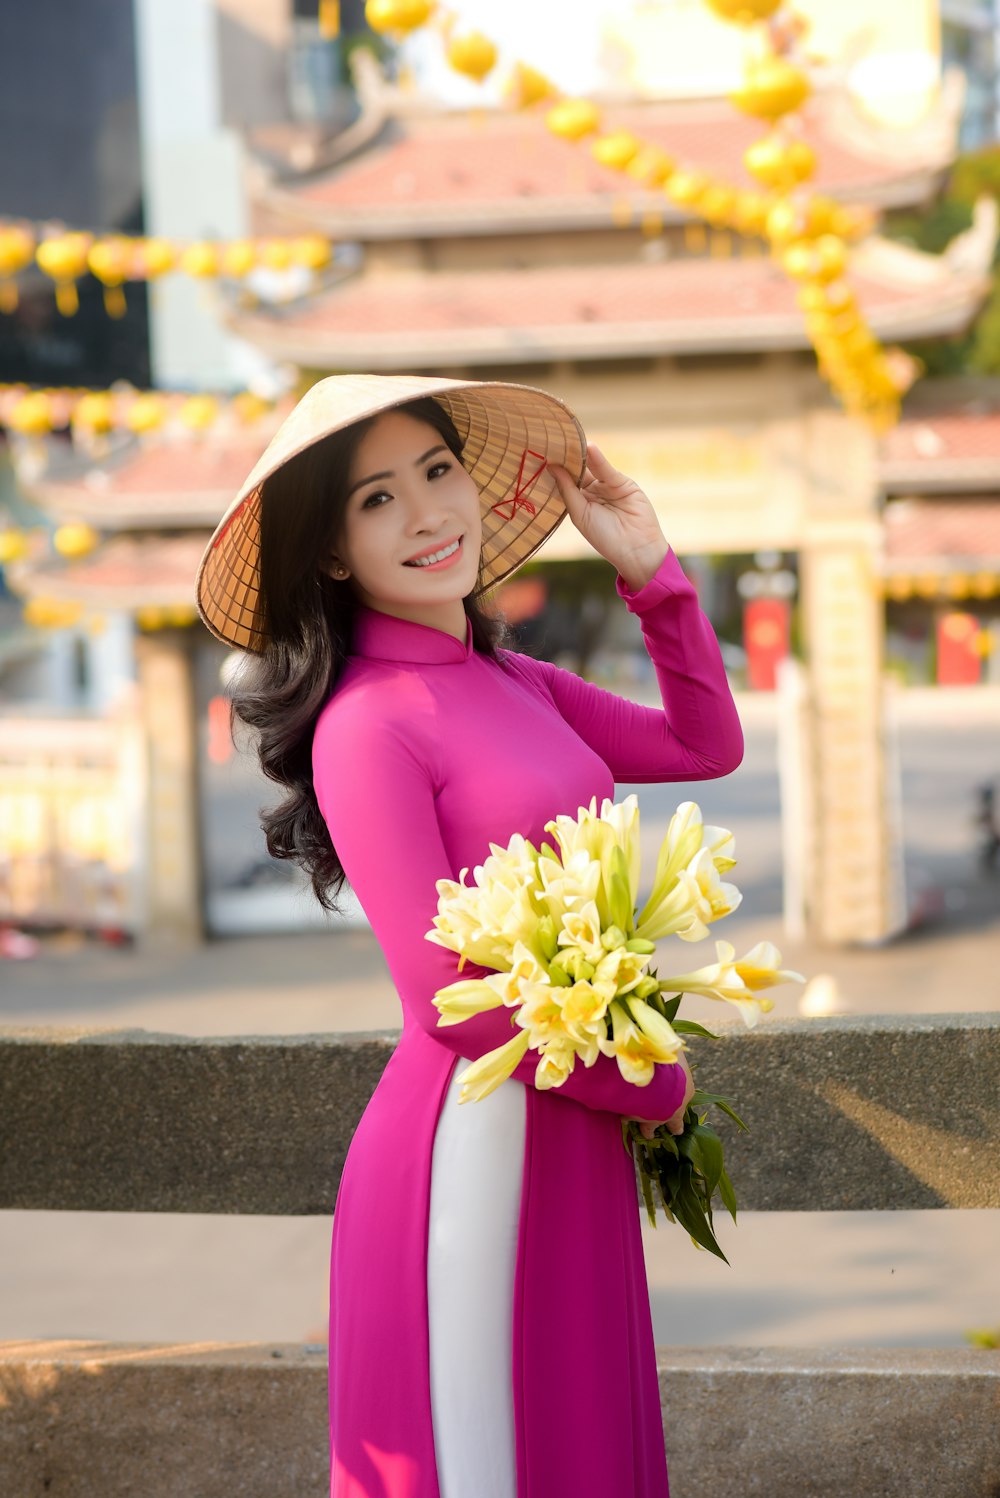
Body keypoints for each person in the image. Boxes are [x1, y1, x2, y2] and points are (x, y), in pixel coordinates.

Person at [196, 373, 744, 1498]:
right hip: (476, 1135)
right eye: (377, 499)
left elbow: (704, 748)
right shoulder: (367, 727)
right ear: (335, 551)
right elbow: (451, 993)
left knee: (585, 1435)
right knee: (490, 1454)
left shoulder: (515, 680)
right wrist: (648, 1082)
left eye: (438, 473)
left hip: (573, 1115)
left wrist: (650, 573)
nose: (428, 514)